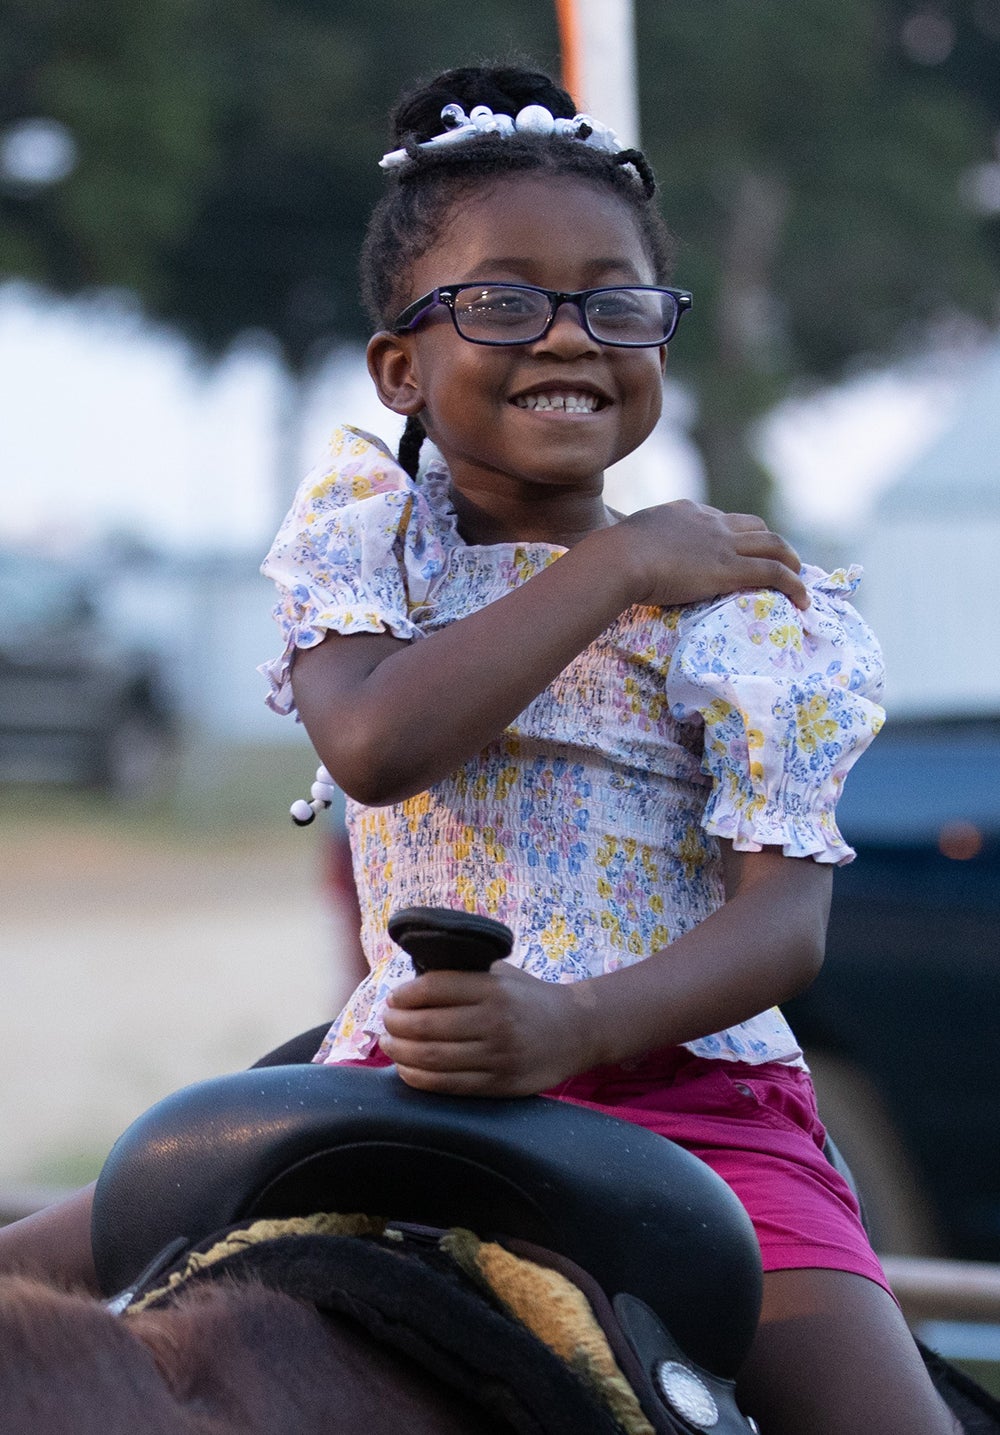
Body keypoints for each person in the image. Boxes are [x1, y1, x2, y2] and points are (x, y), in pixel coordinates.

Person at [0, 61, 959, 1435]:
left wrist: (571, 1025)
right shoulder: (370, 543)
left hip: (691, 1101)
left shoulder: (748, 612)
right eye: (502, 302)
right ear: (401, 362)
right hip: (399, 1075)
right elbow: (381, 744)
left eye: (613, 301)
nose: (566, 337)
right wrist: (616, 565)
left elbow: (784, 929)